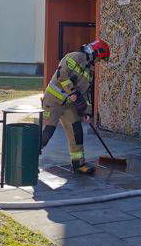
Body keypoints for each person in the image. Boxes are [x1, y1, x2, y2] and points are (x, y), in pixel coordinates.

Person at [41, 38, 111, 175]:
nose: (98, 62)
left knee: (76, 132)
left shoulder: (89, 72)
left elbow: (85, 93)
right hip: (53, 102)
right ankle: (29, 158)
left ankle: (78, 164)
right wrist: (72, 92)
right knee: (46, 133)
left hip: (68, 105)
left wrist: (86, 111)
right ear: (96, 53)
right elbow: (62, 75)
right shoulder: (74, 57)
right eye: (100, 59)